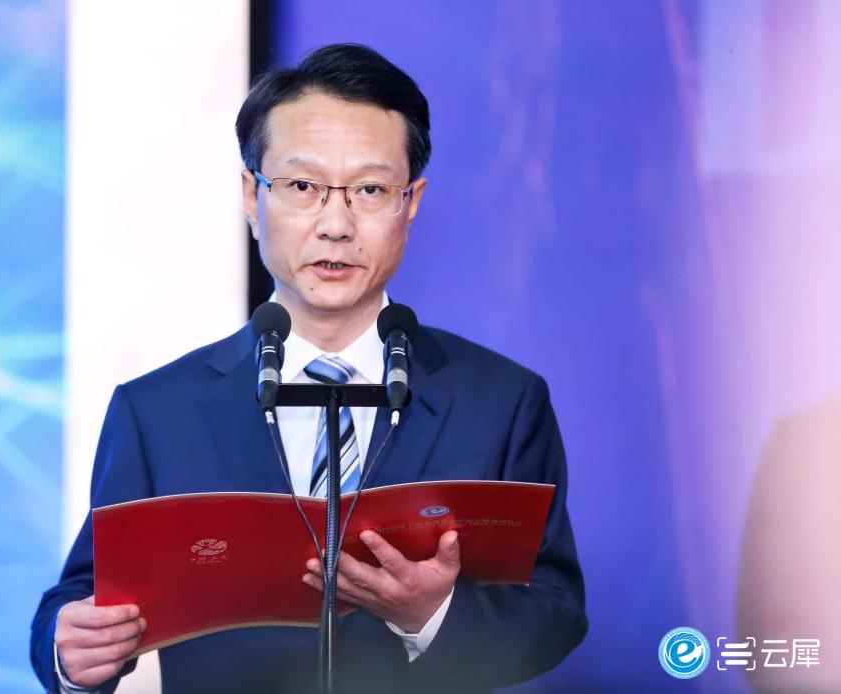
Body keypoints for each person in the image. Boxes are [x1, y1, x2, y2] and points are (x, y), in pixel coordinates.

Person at [31, 43, 587, 693]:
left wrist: (431, 614)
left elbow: (556, 613)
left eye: (371, 190)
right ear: (252, 195)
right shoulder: (158, 411)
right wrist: (71, 654)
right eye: (302, 187)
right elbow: (83, 597)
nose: (335, 224)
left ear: (411, 202)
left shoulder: (501, 401)